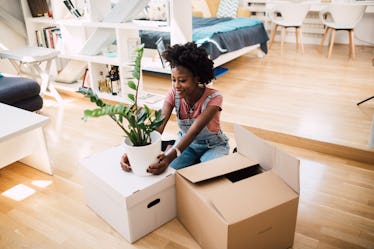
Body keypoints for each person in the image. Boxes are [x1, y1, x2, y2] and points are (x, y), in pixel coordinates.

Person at [120, 42, 229, 174]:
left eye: (182, 80)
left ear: (197, 78)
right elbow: (158, 127)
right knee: (165, 171)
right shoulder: (173, 94)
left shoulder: (214, 98)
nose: (176, 85)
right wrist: (135, 153)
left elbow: (194, 131)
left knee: (210, 174)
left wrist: (169, 156)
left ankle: (173, 149)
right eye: (173, 79)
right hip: (185, 145)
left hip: (212, 146)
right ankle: (173, 148)